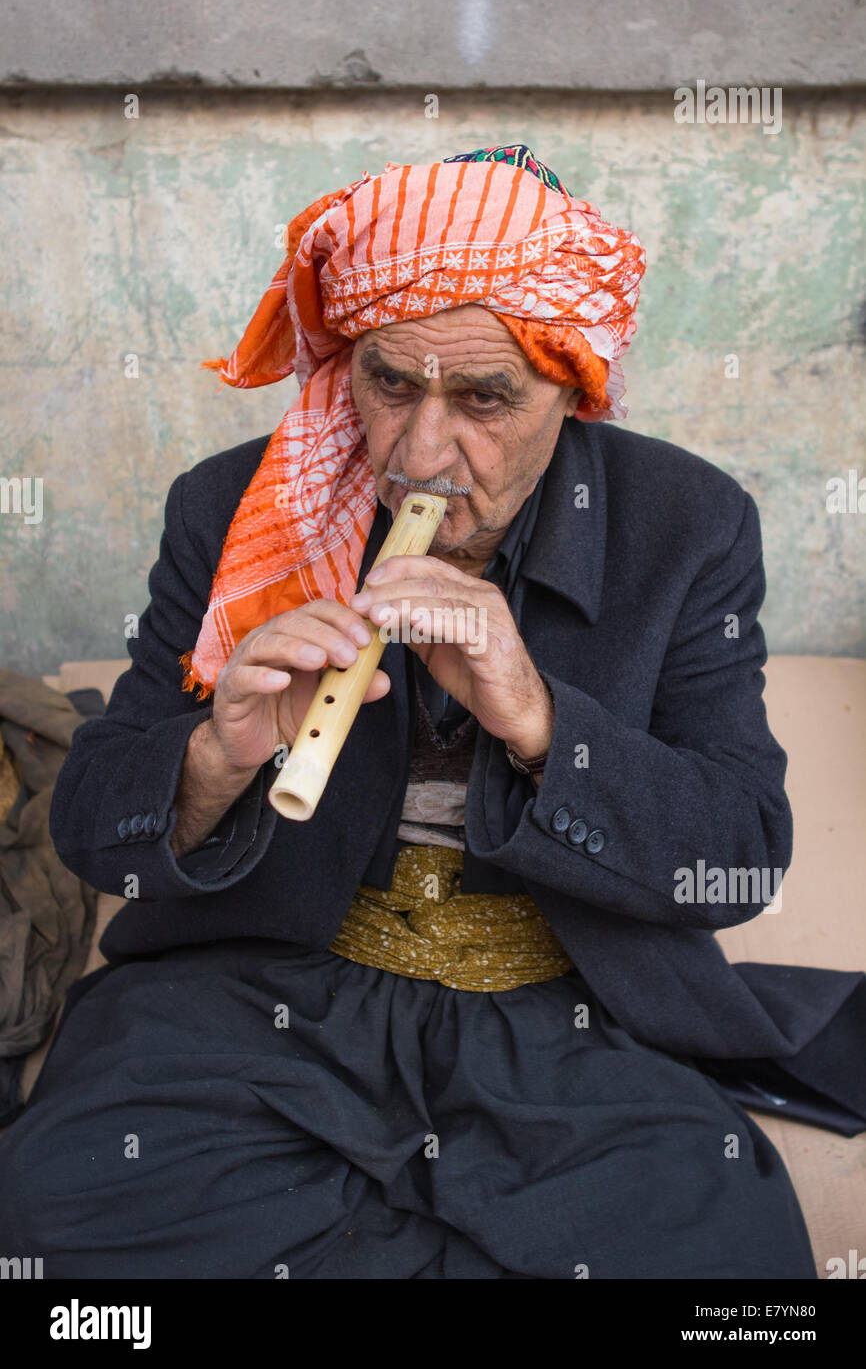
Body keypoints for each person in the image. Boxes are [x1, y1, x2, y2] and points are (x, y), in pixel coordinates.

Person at [0, 145, 861, 1280]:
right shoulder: (233, 508)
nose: (416, 454)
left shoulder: (686, 525)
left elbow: (740, 859)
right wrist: (220, 750)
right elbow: (93, 826)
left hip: (561, 1012)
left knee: (729, 1270)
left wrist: (541, 719)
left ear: (571, 387)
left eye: (483, 398)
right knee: (53, 1219)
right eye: (388, 382)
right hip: (268, 990)